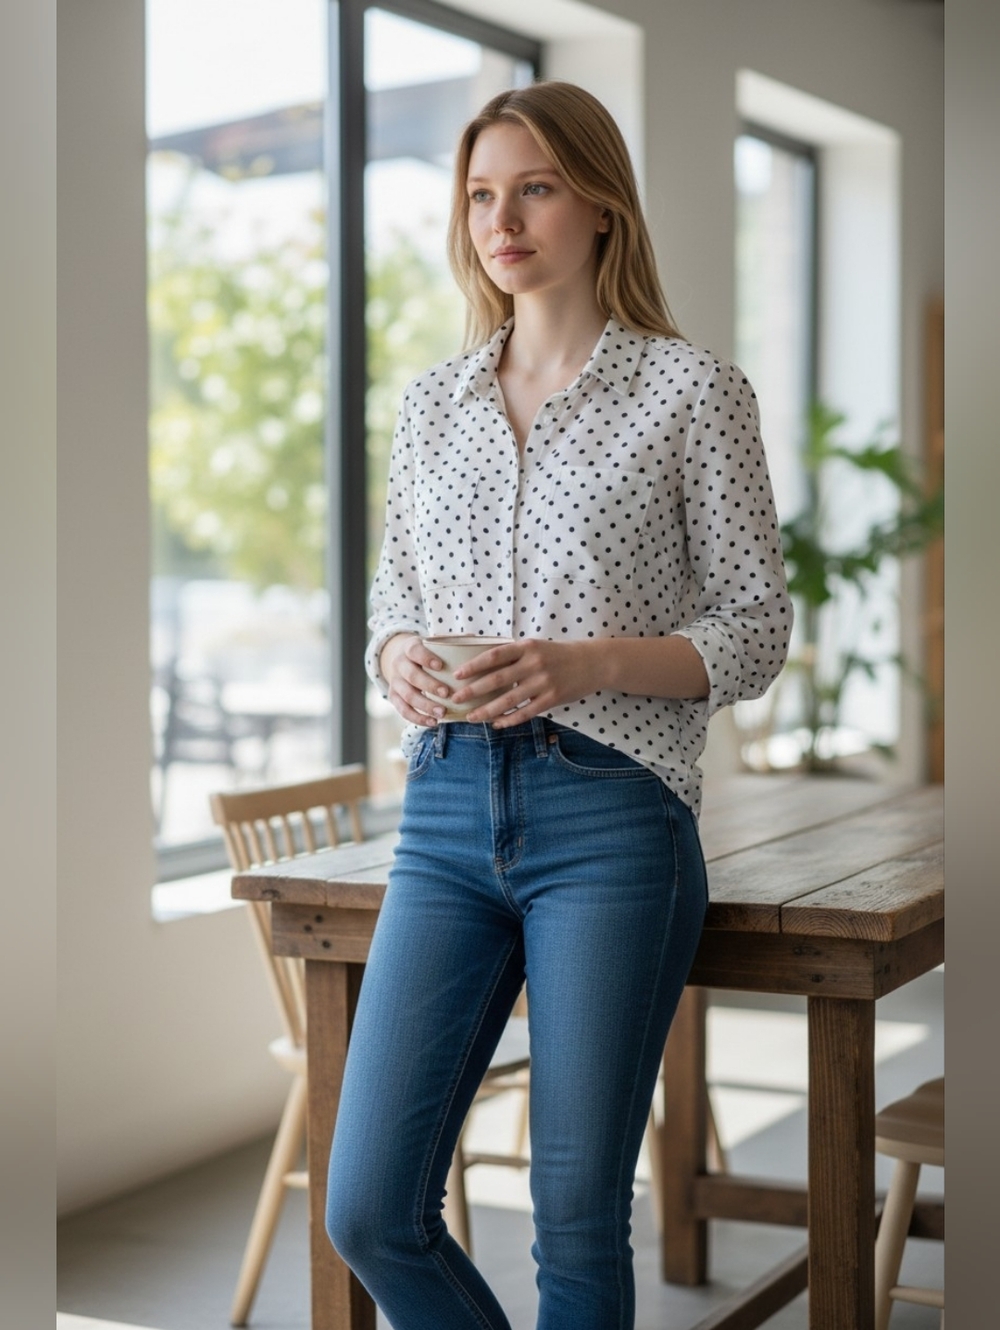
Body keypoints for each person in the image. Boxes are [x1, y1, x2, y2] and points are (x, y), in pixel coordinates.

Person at [326, 80, 791, 1330]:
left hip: (611, 819)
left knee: (575, 1213)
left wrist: (586, 662)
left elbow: (755, 631)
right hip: (442, 807)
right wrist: (396, 658)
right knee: (367, 1206)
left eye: (532, 186)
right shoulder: (431, 403)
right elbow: (389, 598)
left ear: (598, 204)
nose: (502, 217)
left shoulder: (695, 394)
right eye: (481, 192)